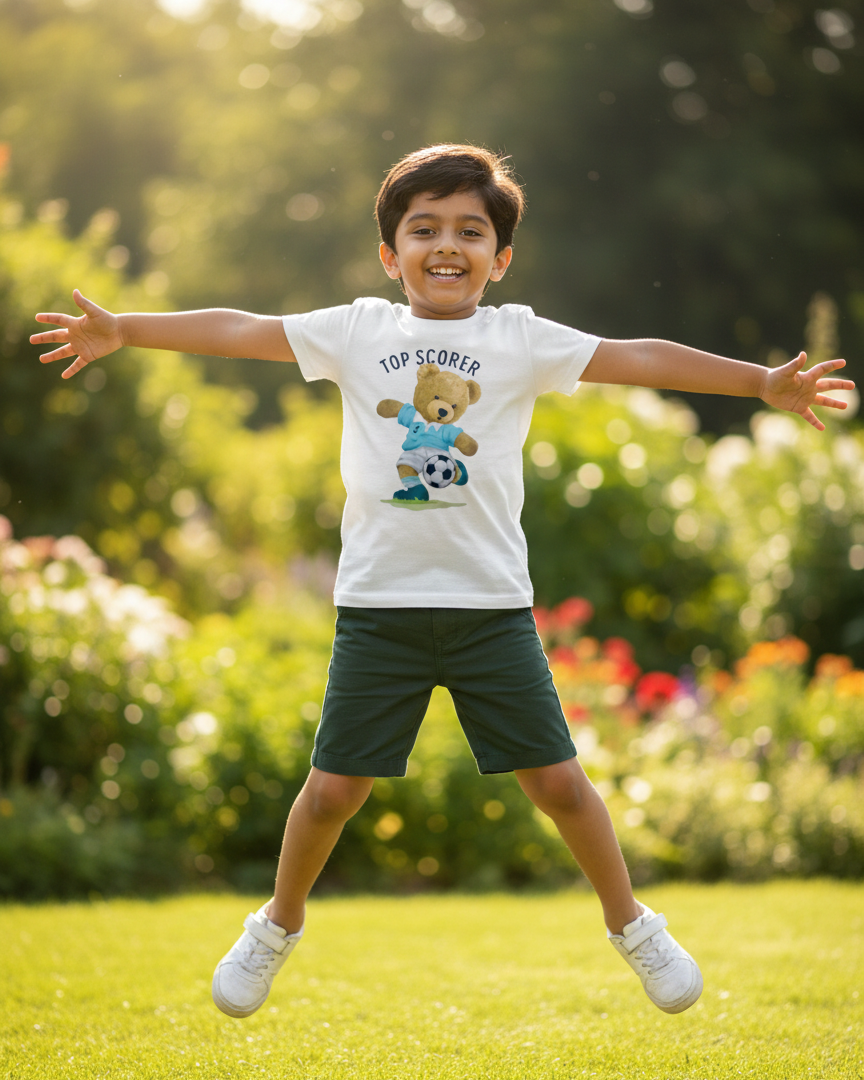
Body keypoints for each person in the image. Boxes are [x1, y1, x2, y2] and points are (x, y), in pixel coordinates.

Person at [31, 144, 853, 1021]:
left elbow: (638, 356)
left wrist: (761, 381)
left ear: (500, 257)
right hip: (378, 613)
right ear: (391, 256)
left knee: (561, 787)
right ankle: (275, 924)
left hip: (490, 613)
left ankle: (634, 925)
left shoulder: (519, 339)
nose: (446, 244)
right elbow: (244, 329)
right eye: (423, 229)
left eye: (471, 229)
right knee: (334, 791)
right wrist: (128, 328)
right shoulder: (358, 331)